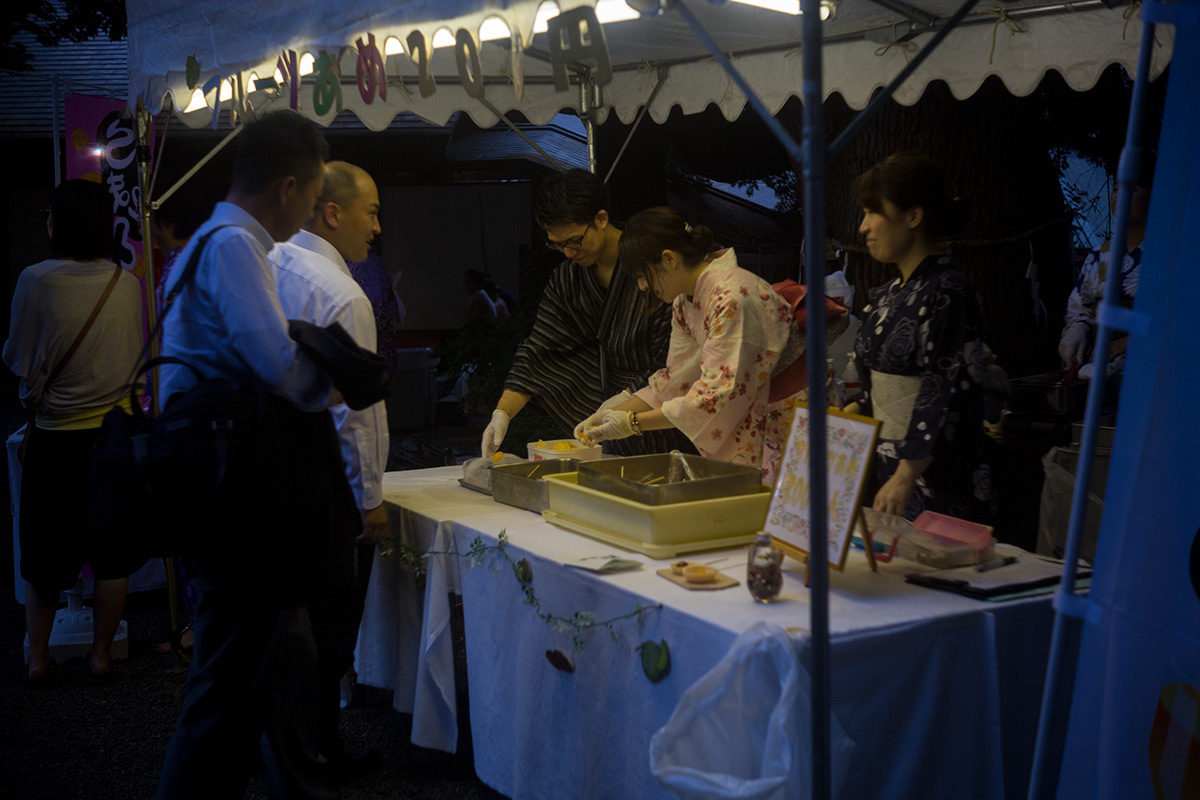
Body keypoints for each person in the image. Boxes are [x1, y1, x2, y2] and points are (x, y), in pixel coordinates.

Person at [155, 110, 357, 800]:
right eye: (309, 198)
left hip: (222, 480)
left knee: (256, 669)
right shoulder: (236, 245)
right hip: (234, 492)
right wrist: (342, 386)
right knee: (225, 681)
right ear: (289, 187)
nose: (308, 214)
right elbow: (274, 363)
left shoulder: (212, 238)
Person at [269, 160, 388, 782]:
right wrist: (368, 498)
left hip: (275, 469)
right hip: (327, 482)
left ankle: (290, 750)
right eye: (371, 211)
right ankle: (318, 755)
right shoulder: (342, 291)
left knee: (291, 622)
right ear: (333, 213)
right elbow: (356, 415)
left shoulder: (272, 262)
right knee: (331, 620)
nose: (377, 225)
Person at [577, 207, 836, 485]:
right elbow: (675, 380)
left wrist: (632, 422)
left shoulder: (733, 294)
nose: (642, 286)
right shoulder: (684, 303)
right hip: (759, 410)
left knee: (803, 516)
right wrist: (609, 414)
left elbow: (715, 393)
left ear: (669, 259)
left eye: (643, 275)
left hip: (794, 415)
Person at [3, 178, 144, 685]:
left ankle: (38, 659)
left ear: (59, 223)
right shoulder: (125, 283)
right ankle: (102, 656)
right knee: (111, 554)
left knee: (43, 555)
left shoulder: (36, 280)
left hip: (56, 439)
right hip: (112, 440)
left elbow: (18, 359)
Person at [482, 169, 692, 459]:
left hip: (664, 413)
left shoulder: (655, 267)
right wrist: (501, 414)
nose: (567, 252)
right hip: (610, 423)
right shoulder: (567, 279)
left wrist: (623, 403)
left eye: (574, 241)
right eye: (557, 245)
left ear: (601, 219)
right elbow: (539, 352)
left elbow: (674, 362)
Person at [846, 152, 994, 522]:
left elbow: (945, 388)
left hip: (935, 472)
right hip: (886, 465)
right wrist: (846, 415)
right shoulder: (887, 295)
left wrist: (907, 474)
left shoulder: (950, 292)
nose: (864, 227)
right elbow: (871, 386)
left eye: (872, 212)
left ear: (913, 216)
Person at [1058, 170, 1153, 380]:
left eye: (1132, 189)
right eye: (1116, 189)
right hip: (1097, 373)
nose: (1120, 197)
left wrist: (1128, 341)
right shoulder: (1099, 255)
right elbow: (1081, 308)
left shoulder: (1169, 257)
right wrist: (1079, 330)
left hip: (1148, 373)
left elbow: (1178, 318)